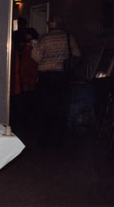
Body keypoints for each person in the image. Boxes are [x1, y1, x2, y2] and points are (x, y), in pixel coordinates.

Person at [31, 16, 81, 145]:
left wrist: (34, 45)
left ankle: (44, 138)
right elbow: (77, 54)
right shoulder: (69, 37)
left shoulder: (45, 38)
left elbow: (35, 57)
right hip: (62, 77)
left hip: (46, 78)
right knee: (60, 107)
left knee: (44, 107)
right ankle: (58, 139)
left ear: (50, 24)